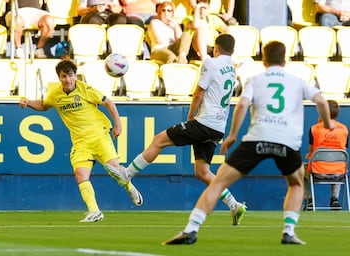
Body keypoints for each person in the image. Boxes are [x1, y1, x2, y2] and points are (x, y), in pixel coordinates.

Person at [163, 41, 334, 245]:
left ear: (264, 60)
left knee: (218, 183)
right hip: (287, 141)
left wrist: (233, 135)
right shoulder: (297, 81)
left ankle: (191, 229)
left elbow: (243, 103)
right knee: (296, 183)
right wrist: (328, 122)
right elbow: (322, 102)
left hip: (257, 138)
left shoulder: (255, 79)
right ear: (285, 60)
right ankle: (288, 231)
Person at [106, 34, 247, 225]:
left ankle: (127, 174)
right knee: (202, 171)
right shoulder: (232, 69)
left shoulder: (210, 63)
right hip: (218, 128)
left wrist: (190, 116)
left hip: (204, 122)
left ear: (216, 48)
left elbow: (199, 93)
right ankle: (234, 204)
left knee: (159, 140)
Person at [19, 59, 143, 222]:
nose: (68, 80)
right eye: (64, 76)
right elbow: (44, 105)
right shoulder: (56, 95)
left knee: (116, 170)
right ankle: (94, 211)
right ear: (59, 77)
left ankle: (129, 187)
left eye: (70, 75)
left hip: (99, 136)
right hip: (80, 143)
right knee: (80, 175)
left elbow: (109, 103)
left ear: (75, 75)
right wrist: (28, 103)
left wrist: (117, 125)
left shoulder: (86, 89)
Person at [304, 100, 349, 210]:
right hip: (339, 174)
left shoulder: (314, 129)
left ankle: (309, 200)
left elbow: (311, 152)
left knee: (300, 170)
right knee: (338, 165)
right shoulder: (344, 129)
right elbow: (343, 150)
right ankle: (335, 198)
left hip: (318, 172)